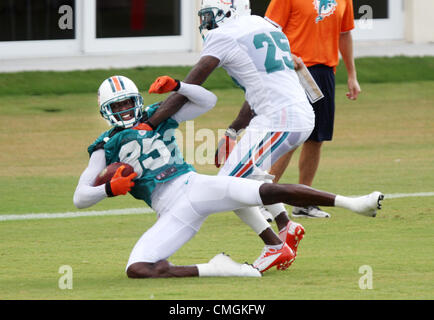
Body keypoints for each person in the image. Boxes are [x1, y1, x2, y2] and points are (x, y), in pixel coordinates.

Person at [139, 0, 379, 269]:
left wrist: (148, 125)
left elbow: (188, 88)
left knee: (227, 187)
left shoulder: (224, 35)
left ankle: (275, 245)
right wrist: (232, 131)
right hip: (293, 113)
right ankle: (286, 225)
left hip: (279, 119)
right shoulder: (264, 25)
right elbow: (258, 92)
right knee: (248, 179)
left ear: (229, 12)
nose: (206, 24)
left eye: (210, 16)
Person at [73, 75, 383, 278]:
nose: (126, 110)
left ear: (137, 101)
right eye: (118, 106)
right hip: (169, 210)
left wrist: (180, 86)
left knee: (265, 191)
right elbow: (80, 198)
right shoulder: (104, 146)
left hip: (193, 185)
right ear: (106, 111)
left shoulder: (157, 117)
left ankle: (353, 203)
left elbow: (207, 101)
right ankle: (217, 268)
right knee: (137, 269)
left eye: (129, 102)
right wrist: (109, 189)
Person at [262, 0, 361, 218]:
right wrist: (286, 56)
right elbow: (268, 32)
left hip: (325, 72)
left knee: (317, 138)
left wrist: (352, 75)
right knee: (291, 135)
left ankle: (303, 202)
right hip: (293, 71)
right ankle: (264, 199)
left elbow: (344, 34)